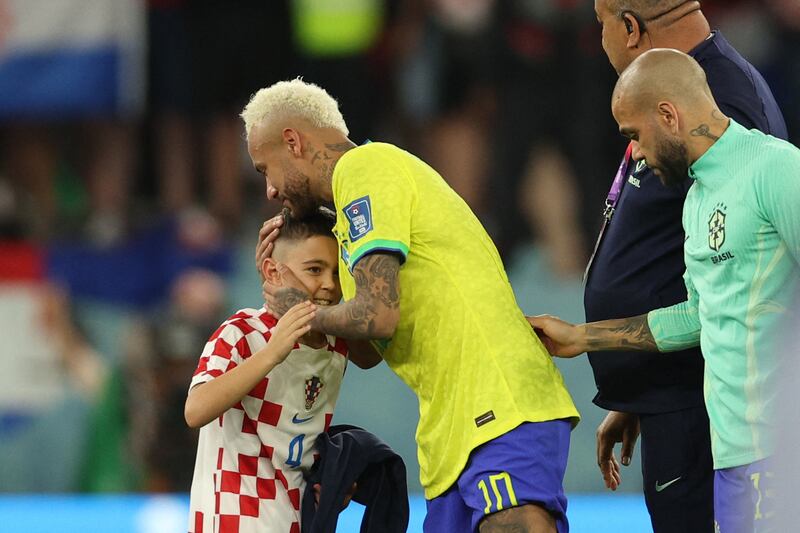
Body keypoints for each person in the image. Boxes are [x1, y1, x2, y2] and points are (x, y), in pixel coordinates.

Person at [242, 79, 579, 533]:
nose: (270, 190)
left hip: (496, 402)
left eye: (266, 169)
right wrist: (296, 279)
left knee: (514, 525)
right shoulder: (351, 223)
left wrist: (296, 313)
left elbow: (376, 314)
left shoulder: (365, 166)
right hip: (451, 428)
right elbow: (364, 350)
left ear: (292, 141)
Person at [531, 48, 800, 533]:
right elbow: (699, 315)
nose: (634, 153)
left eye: (635, 136)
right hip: (732, 455)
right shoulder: (696, 199)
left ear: (669, 115)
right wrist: (581, 337)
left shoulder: (776, 170)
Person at [584, 1, 787, 530]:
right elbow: (704, 301)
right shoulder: (694, 176)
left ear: (629, 26)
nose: (638, 154)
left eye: (634, 138)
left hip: (749, 426)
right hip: (718, 429)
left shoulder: (750, 141)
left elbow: (755, 282)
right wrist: (619, 372)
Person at [185, 208, 380, 533]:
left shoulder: (336, 347)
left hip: (296, 521)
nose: (328, 285)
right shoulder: (242, 332)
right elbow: (195, 410)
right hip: (231, 522)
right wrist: (272, 353)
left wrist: (332, 483)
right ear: (272, 273)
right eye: (314, 269)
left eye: (336, 272)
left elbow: (297, 442)